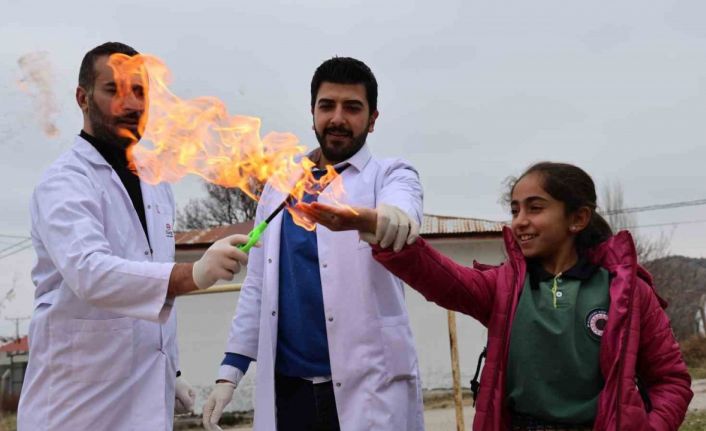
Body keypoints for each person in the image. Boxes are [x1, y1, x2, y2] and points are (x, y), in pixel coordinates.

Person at [300, 162, 693, 431]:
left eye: (535, 208)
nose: (520, 221)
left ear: (577, 218)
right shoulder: (504, 287)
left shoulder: (627, 292)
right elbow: (440, 277)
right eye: (515, 209)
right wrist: (378, 227)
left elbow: (671, 380)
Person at [17, 42, 250, 431]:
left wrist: (171, 369)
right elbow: (91, 273)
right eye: (114, 90)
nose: (131, 104)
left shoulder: (155, 181)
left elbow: (148, 274)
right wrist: (193, 274)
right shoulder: (64, 183)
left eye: (139, 91)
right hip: (75, 411)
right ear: (83, 97)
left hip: (144, 402)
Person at [202, 57, 425, 431]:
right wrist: (231, 370)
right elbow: (257, 285)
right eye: (327, 106)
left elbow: (402, 208)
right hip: (291, 394)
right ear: (312, 113)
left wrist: (386, 218)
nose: (337, 118)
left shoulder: (389, 176)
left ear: (372, 119)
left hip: (368, 389)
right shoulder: (281, 186)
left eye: (352, 107)